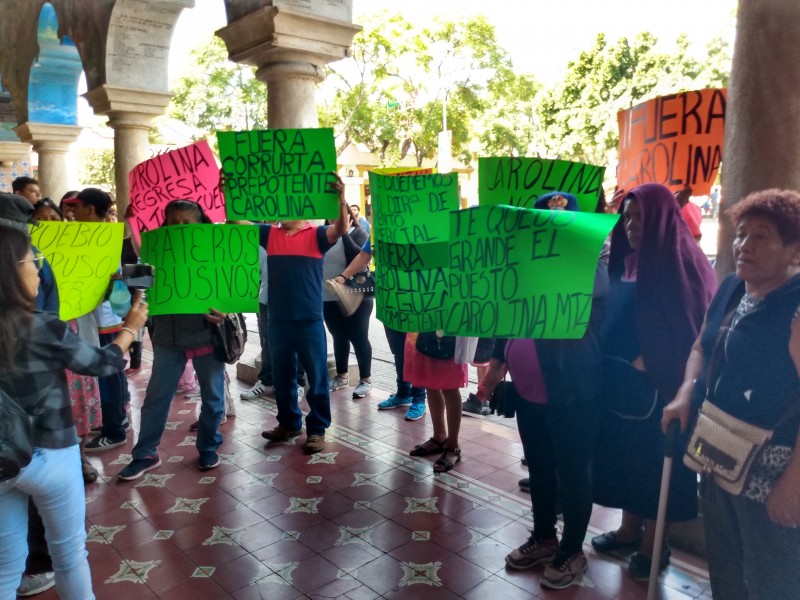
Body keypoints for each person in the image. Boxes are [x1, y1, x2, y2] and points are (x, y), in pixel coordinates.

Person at [663, 189, 800, 600]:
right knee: (725, 566)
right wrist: (686, 392)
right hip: (717, 453)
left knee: (771, 576)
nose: (745, 245)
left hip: (772, 473)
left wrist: (794, 483)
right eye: (741, 235)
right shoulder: (731, 290)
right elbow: (700, 348)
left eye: (761, 236)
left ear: (794, 250)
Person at [0, 224, 148, 599]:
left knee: (5, 565)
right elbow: (101, 363)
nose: (39, 270)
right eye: (34, 261)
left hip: (1, 460)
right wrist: (130, 329)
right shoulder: (40, 325)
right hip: (50, 452)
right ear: (11, 271)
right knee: (69, 555)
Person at [591, 183, 716, 581]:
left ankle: (653, 545)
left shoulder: (683, 262)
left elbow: (696, 328)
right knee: (625, 461)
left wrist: (658, 358)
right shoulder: (624, 263)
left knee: (652, 469)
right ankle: (629, 530)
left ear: (661, 218)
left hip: (657, 391)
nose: (631, 226)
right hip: (618, 383)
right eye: (627, 217)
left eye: (641, 218)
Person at [118, 200, 229, 479]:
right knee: (156, 397)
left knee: (214, 398)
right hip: (168, 337)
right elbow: (143, 278)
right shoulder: (158, 252)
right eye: (173, 222)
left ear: (200, 224)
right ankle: (145, 453)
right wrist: (126, 280)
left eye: (186, 222)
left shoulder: (215, 251)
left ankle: (208, 446)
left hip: (206, 334)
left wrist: (224, 311)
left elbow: (233, 285)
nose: (179, 228)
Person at [260, 175, 348, 454]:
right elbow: (237, 222)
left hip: (309, 320)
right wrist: (229, 193)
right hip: (278, 319)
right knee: (283, 376)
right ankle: (288, 424)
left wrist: (341, 198)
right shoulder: (269, 234)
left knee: (317, 377)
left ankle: (317, 429)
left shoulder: (317, 235)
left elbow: (341, 229)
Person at [336, 242, 427, 420]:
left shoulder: (418, 224)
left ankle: (419, 398)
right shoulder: (382, 228)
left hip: (416, 302)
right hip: (391, 303)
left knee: (415, 353)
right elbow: (364, 255)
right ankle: (403, 393)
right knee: (399, 352)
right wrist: (343, 276)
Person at [72, 188, 131, 452]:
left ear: (92, 210)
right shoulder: (93, 234)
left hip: (104, 316)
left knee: (107, 373)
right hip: (100, 316)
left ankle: (114, 430)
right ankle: (118, 419)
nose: (73, 212)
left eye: (79, 206)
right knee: (113, 372)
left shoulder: (101, 236)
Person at [323, 215, 373, 398]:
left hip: (356, 296)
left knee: (358, 336)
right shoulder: (322, 235)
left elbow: (360, 255)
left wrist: (343, 234)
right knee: (338, 335)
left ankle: (365, 379)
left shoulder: (357, 233)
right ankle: (341, 377)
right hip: (328, 296)